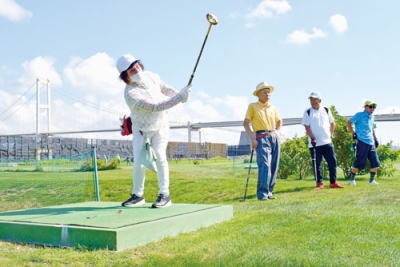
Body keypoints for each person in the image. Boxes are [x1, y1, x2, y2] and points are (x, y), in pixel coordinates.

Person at [116, 54, 191, 208]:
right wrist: (178, 99)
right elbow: (154, 107)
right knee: (139, 163)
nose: (135, 69)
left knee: (160, 156)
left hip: (161, 125)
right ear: (125, 75)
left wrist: (180, 94)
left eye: (136, 64)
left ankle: (165, 195)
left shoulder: (151, 76)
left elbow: (165, 89)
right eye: (130, 69)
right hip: (141, 131)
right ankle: (138, 195)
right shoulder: (130, 94)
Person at [243, 81, 282, 201]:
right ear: (258, 94)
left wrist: (278, 132)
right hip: (261, 137)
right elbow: (245, 124)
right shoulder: (253, 106)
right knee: (265, 165)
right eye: (265, 92)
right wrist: (253, 139)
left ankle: (269, 192)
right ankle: (262, 194)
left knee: (274, 165)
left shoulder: (273, 107)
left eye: (269, 91)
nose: (267, 94)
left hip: (273, 136)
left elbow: (279, 121)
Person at [301, 91, 344, 189]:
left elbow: (332, 123)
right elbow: (306, 126)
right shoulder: (307, 112)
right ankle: (319, 183)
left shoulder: (326, 110)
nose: (312, 101)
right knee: (317, 164)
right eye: (311, 99)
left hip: (327, 142)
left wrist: (331, 135)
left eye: (314, 99)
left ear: (320, 100)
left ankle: (333, 182)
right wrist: (312, 137)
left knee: (332, 162)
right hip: (314, 144)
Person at [346, 100, 380, 185]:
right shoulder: (359, 115)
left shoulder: (372, 117)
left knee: (375, 162)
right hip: (362, 141)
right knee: (359, 161)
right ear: (365, 107)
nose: (372, 109)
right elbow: (348, 123)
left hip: (371, 142)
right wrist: (353, 133)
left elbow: (371, 129)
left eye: (374, 107)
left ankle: (371, 181)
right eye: (370, 107)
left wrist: (375, 139)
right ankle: (352, 180)